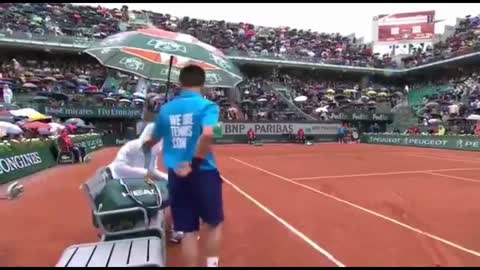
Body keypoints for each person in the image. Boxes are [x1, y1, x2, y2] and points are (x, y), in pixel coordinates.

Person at [144, 65, 224, 267]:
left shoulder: (167, 108)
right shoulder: (208, 106)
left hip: (176, 175)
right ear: (202, 83)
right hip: (203, 172)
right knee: (213, 223)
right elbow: (207, 134)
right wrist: (194, 163)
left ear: (180, 83)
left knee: (188, 231)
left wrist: (146, 145)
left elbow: (154, 139)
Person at [107, 123, 184, 243]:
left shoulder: (154, 151)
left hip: (137, 183)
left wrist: (168, 177)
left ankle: (173, 227)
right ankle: (169, 229)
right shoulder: (132, 146)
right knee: (167, 195)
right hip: (121, 185)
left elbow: (153, 170)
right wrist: (145, 173)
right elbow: (119, 167)